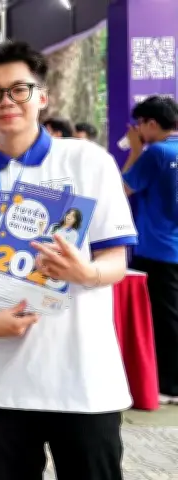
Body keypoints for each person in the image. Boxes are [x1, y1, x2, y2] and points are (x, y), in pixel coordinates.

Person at [0, 41, 137, 480]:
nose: (6, 101)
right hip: (2, 384)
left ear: (42, 96)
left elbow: (116, 259)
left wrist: (85, 272)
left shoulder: (89, 162)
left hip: (83, 380)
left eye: (19, 89)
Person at [121, 95, 178, 405]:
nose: (138, 130)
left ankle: (169, 385)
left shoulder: (156, 153)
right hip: (172, 248)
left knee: (163, 320)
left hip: (157, 250)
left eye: (140, 124)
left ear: (152, 124)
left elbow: (122, 189)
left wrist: (135, 151)